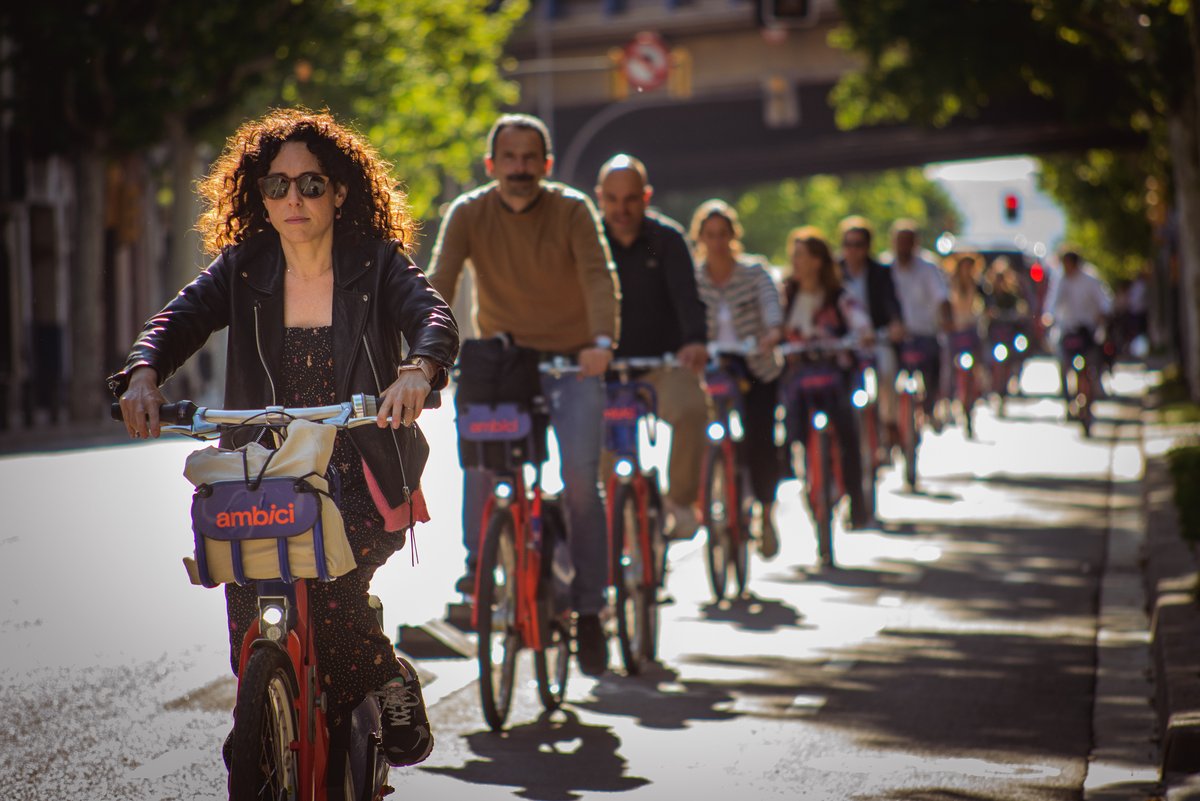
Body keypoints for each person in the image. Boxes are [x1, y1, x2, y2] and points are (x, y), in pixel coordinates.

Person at [109, 108, 459, 768]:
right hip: (262, 468)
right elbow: (174, 323)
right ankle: (267, 714)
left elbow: (431, 316)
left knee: (332, 595)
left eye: (310, 184)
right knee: (249, 603)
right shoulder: (243, 268)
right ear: (258, 196)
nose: (293, 199)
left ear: (342, 191)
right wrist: (143, 375)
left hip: (360, 464)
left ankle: (384, 674)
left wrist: (417, 370)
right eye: (277, 186)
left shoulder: (376, 264)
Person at [427, 113, 618, 677]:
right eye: (508, 159)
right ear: (491, 165)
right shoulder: (469, 212)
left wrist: (602, 341)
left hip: (573, 362)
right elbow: (441, 280)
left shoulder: (573, 210)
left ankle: (587, 607)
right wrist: (424, 349)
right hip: (504, 364)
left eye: (530, 159)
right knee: (482, 467)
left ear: (547, 165)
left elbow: (597, 274)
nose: (519, 169)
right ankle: (477, 564)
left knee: (583, 482)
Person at [594, 154, 708, 539]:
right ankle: (621, 558)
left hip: (661, 366)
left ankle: (679, 502)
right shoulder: (588, 241)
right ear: (599, 198)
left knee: (694, 408)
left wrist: (693, 342)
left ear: (646, 196)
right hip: (603, 372)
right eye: (612, 199)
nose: (621, 209)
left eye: (630, 199)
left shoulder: (668, 239)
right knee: (601, 474)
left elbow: (688, 298)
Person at [691, 199, 784, 557]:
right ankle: (709, 495)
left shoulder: (754, 272)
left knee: (760, 441)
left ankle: (766, 512)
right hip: (711, 369)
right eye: (709, 235)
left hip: (756, 366)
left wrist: (772, 333)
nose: (716, 242)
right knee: (701, 433)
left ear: (733, 236)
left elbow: (770, 303)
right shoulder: (694, 278)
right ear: (700, 238)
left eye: (722, 234)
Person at [781, 229, 873, 530]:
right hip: (799, 378)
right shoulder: (787, 295)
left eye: (801, 256)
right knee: (790, 428)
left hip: (834, 375)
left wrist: (864, 334)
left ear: (818, 261)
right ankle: (796, 470)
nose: (795, 262)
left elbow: (859, 321)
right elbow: (772, 327)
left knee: (847, 434)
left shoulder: (838, 295)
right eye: (794, 256)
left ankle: (856, 504)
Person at [837, 216, 903, 448]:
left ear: (867, 246)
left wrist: (895, 324)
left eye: (858, 244)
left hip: (877, 338)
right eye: (847, 244)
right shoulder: (834, 272)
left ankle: (889, 421)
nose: (852, 250)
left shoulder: (880, 272)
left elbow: (891, 302)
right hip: (845, 343)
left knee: (886, 370)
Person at [885, 218, 951, 427]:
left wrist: (946, 320)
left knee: (935, 363)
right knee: (885, 374)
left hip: (925, 332)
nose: (903, 246)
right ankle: (889, 423)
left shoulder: (928, 267)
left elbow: (941, 297)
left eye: (908, 241)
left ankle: (931, 406)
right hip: (892, 337)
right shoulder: (885, 267)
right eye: (899, 241)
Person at [1042, 249, 1112, 408]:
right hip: (1067, 328)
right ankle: (1067, 396)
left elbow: (1105, 300)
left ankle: (1093, 390)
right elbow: (1052, 302)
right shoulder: (1061, 280)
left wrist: (1103, 313)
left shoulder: (1090, 279)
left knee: (1092, 361)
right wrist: (1048, 317)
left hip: (1087, 328)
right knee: (1063, 361)